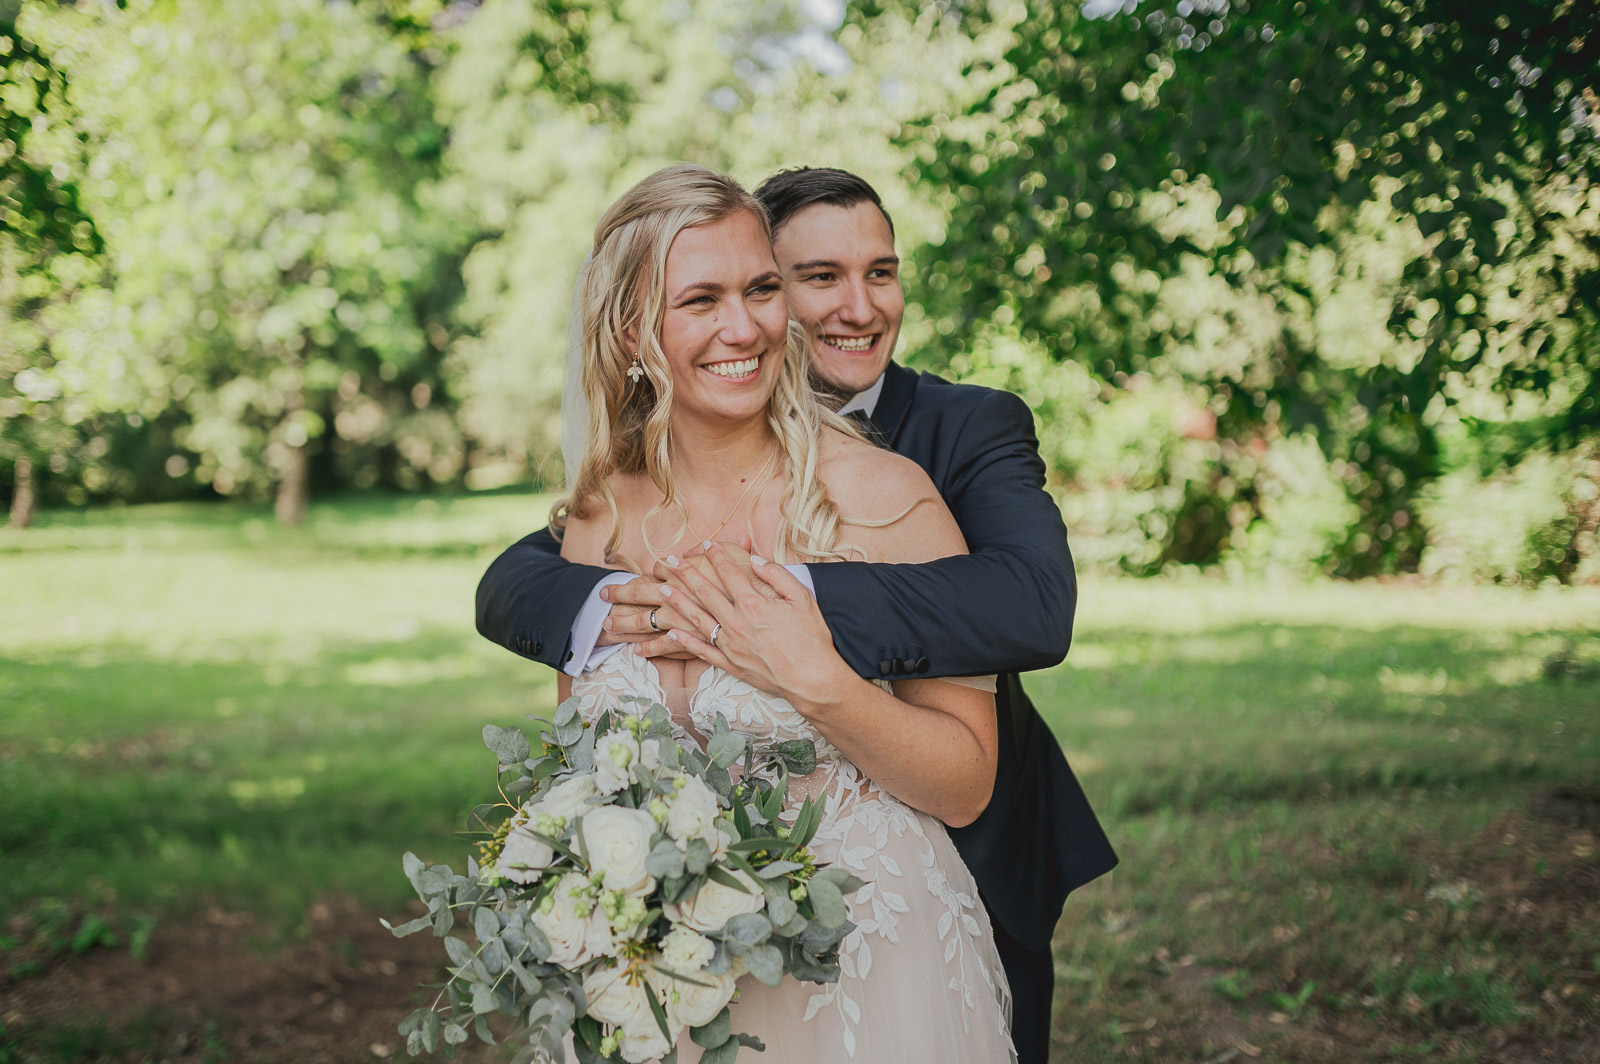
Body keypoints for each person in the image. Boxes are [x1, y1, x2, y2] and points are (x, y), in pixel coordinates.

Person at [478, 167, 1117, 1063]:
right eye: (700, 298)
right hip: (663, 994)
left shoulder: (890, 494)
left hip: (867, 979)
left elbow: (971, 775)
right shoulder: (596, 520)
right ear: (630, 329)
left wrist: (815, 677)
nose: (745, 326)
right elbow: (582, 765)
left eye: (762, 289)